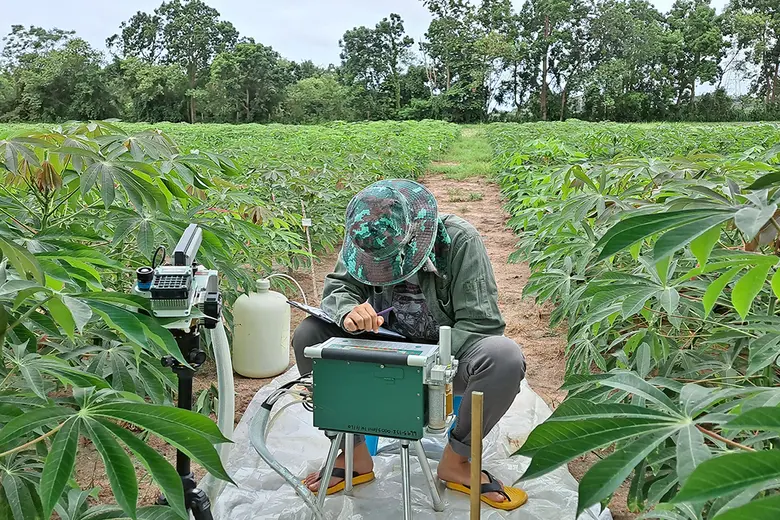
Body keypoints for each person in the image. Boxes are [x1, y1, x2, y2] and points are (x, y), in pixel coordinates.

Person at [292, 179, 527, 510]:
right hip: (382, 350)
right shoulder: (365, 237)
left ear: (418, 232)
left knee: (504, 357)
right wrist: (348, 312)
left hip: (447, 360)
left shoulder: (460, 240)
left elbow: (481, 324)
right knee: (309, 335)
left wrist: (422, 363)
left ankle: (457, 460)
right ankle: (354, 452)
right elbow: (338, 289)